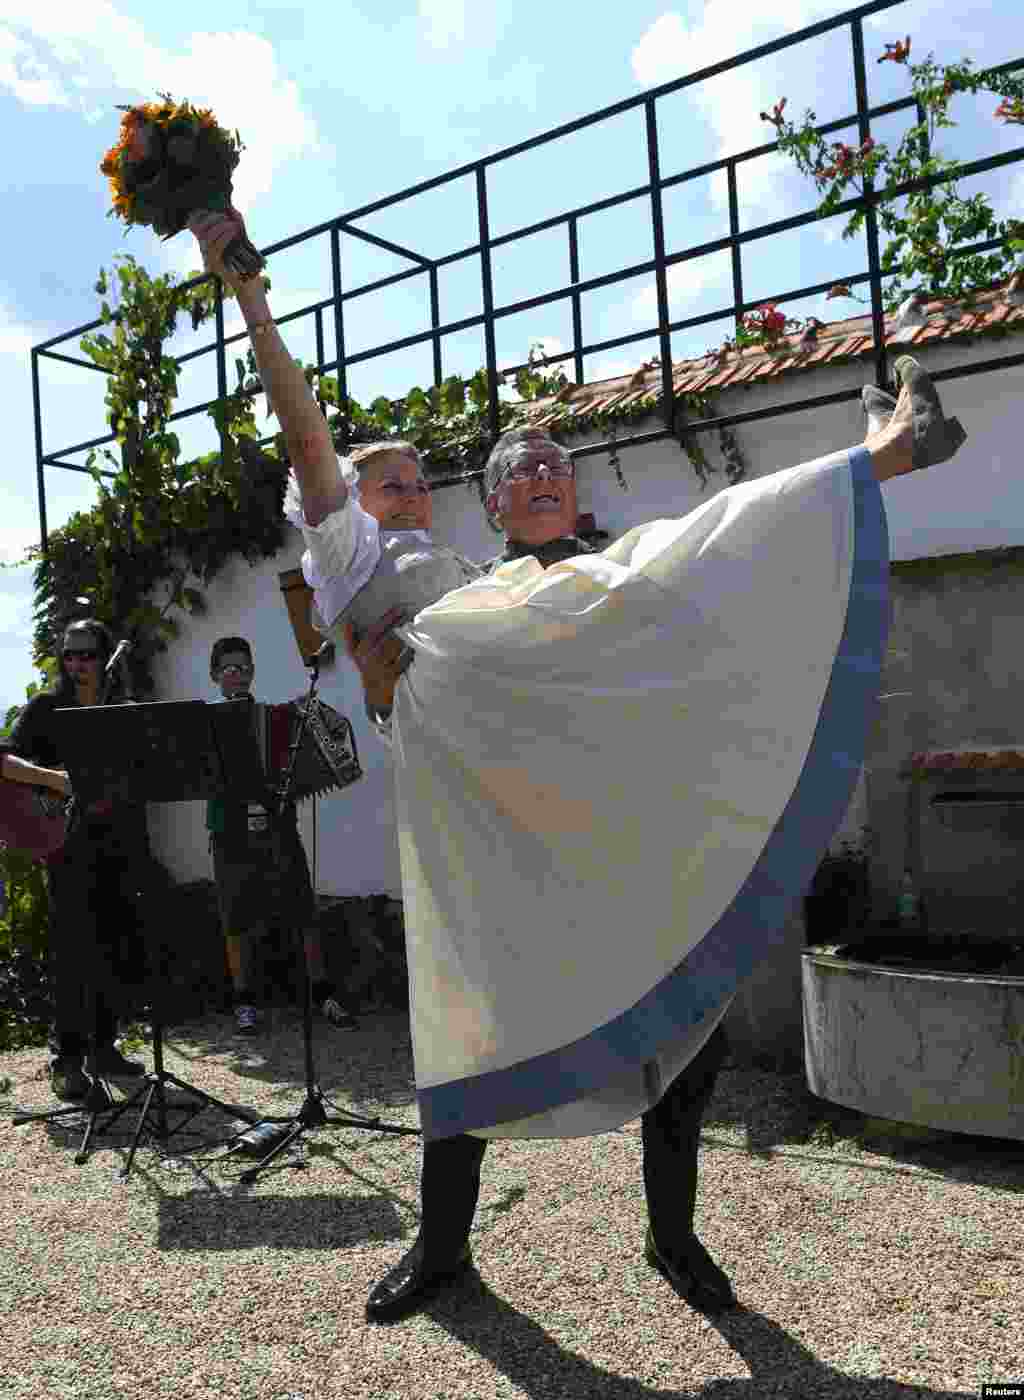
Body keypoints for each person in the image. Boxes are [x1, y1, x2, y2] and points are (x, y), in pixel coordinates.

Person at [189, 208, 966, 1322]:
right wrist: (252, 295)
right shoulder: (376, 556)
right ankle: (444, 1250)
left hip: (600, 825)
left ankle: (672, 1237)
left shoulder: (504, 584)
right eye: (390, 480)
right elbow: (310, 442)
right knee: (461, 1021)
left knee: (680, 1026)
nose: (410, 489)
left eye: (419, 478)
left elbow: (679, 605)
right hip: (482, 832)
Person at [0, 620, 148, 1101]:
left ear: (104, 655)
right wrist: (54, 779)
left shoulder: (119, 710)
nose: (78, 663)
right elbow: (4, 761)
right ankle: (66, 1060)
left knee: (114, 948)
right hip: (66, 845)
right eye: (70, 655)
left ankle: (104, 1048)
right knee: (72, 955)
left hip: (115, 842)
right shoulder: (47, 707)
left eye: (87, 654)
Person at [207, 635, 357, 1033]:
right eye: (228, 668)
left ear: (253, 672)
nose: (237, 674)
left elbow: (327, 730)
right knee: (235, 916)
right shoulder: (202, 723)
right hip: (228, 828)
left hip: (277, 823)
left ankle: (323, 992)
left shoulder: (276, 717)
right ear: (214, 676)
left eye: (243, 667)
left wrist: (327, 721)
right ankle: (244, 1001)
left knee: (303, 909)